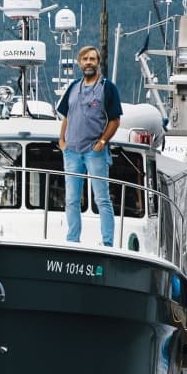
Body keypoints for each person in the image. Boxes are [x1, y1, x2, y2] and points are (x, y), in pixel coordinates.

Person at [56, 46, 122, 246]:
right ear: (79, 63)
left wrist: (102, 142)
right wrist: (62, 141)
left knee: (102, 199)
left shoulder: (107, 87)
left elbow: (115, 120)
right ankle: (73, 239)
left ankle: (108, 242)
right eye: (85, 59)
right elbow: (67, 115)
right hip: (71, 152)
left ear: (98, 62)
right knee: (71, 200)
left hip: (95, 152)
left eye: (92, 59)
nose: (88, 62)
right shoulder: (74, 87)